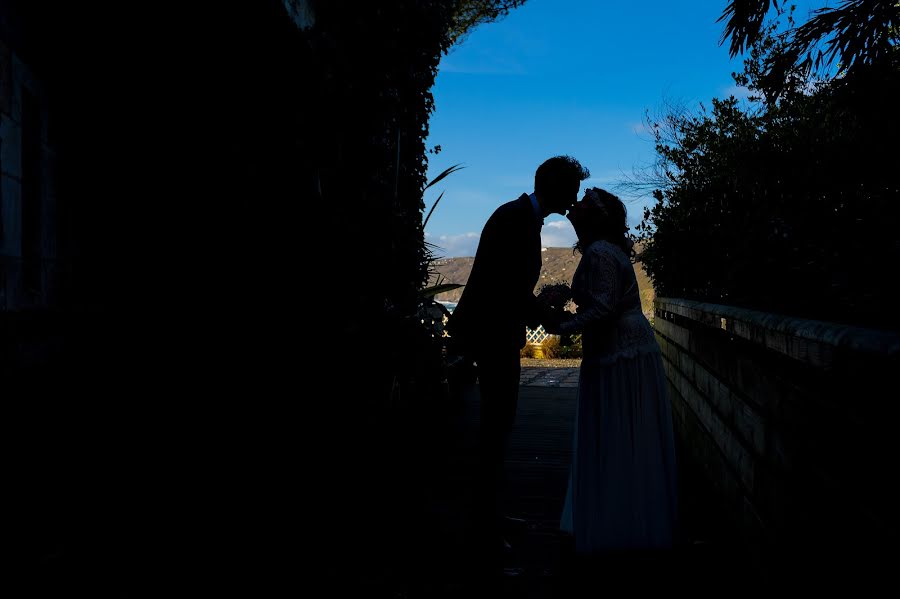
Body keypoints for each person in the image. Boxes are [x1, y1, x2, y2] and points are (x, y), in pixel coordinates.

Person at [446, 156, 590, 566]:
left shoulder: (518, 216)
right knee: (495, 427)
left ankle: (490, 516)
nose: (575, 198)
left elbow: (509, 286)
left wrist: (539, 309)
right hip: (491, 336)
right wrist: (546, 316)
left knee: (499, 426)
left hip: (496, 332)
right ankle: (482, 528)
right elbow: (503, 288)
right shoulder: (515, 219)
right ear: (558, 188)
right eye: (572, 189)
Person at [550, 187, 677, 557]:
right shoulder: (606, 251)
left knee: (616, 427)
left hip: (620, 351)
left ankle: (615, 524)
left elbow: (604, 308)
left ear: (594, 218)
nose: (575, 206)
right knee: (623, 432)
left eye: (584, 204)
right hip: (623, 347)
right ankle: (621, 518)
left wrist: (563, 326)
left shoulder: (601, 252)